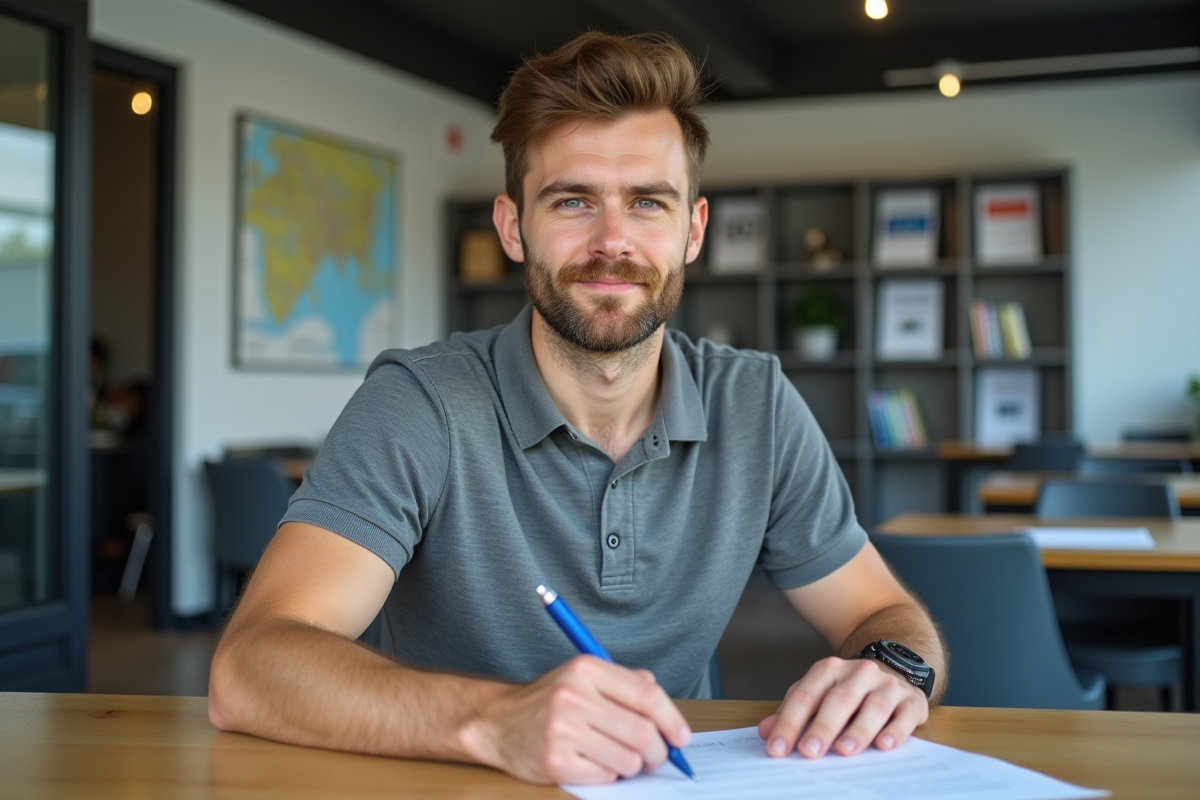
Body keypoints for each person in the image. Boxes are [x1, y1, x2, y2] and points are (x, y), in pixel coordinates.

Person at [208, 31, 947, 785]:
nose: (612, 242)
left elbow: (885, 615)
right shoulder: (419, 403)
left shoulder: (755, 402)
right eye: (572, 201)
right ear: (511, 226)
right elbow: (252, 664)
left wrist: (890, 671)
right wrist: (496, 721)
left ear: (692, 231)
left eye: (647, 203)